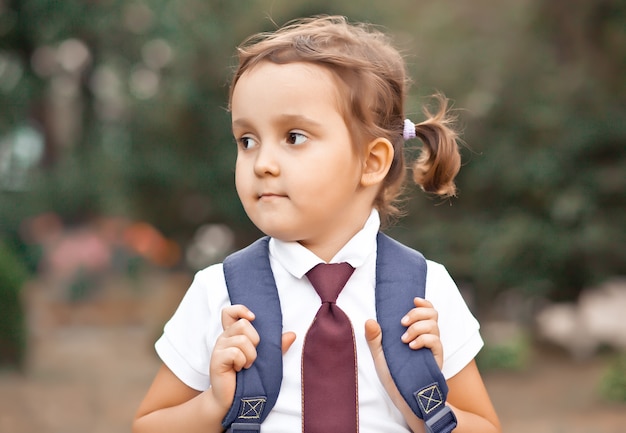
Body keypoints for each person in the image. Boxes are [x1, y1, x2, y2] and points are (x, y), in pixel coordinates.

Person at [133, 15, 501, 433]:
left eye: (293, 137)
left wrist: (422, 406)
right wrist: (214, 405)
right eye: (247, 140)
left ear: (371, 161)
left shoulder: (425, 293)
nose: (263, 164)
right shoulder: (219, 293)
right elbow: (149, 424)